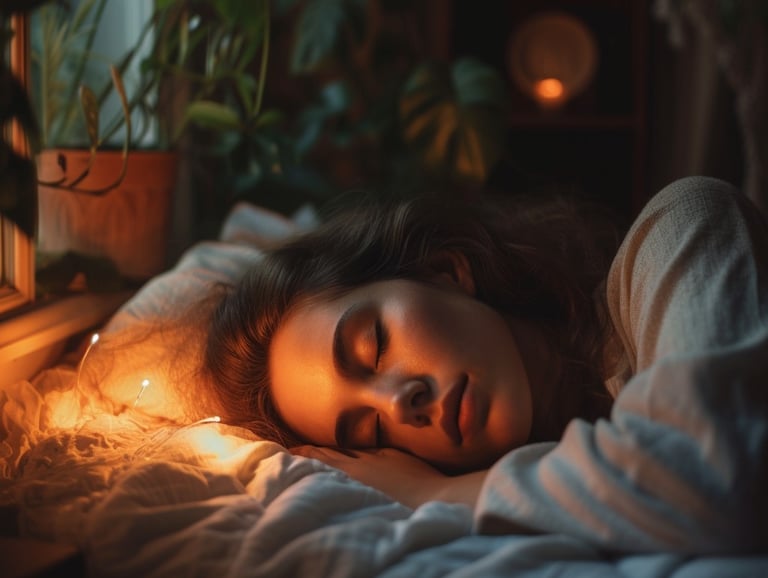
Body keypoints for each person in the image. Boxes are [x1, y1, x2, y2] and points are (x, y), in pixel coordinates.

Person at [204, 176, 768, 553]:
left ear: (444, 270)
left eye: (373, 345)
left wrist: (435, 495)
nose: (399, 403)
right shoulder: (531, 508)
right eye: (370, 430)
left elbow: (713, 479)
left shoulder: (682, 228)